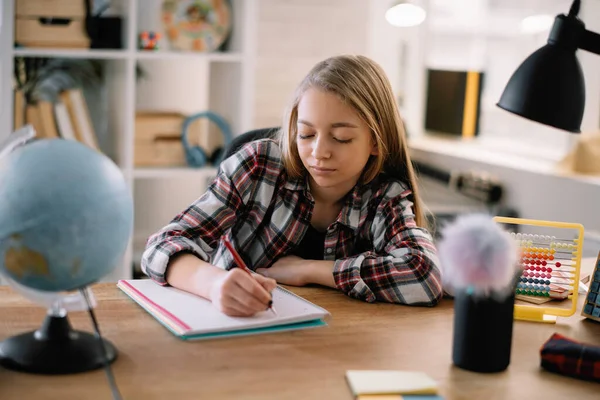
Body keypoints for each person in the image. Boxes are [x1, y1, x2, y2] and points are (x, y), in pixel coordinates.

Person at [141, 55, 443, 317]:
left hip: (334, 345)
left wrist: (309, 269)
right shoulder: (258, 166)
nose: (319, 152)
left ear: (376, 142)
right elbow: (162, 246)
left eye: (341, 138)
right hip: (236, 332)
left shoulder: (384, 195)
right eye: (307, 134)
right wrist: (214, 283)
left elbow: (424, 275)